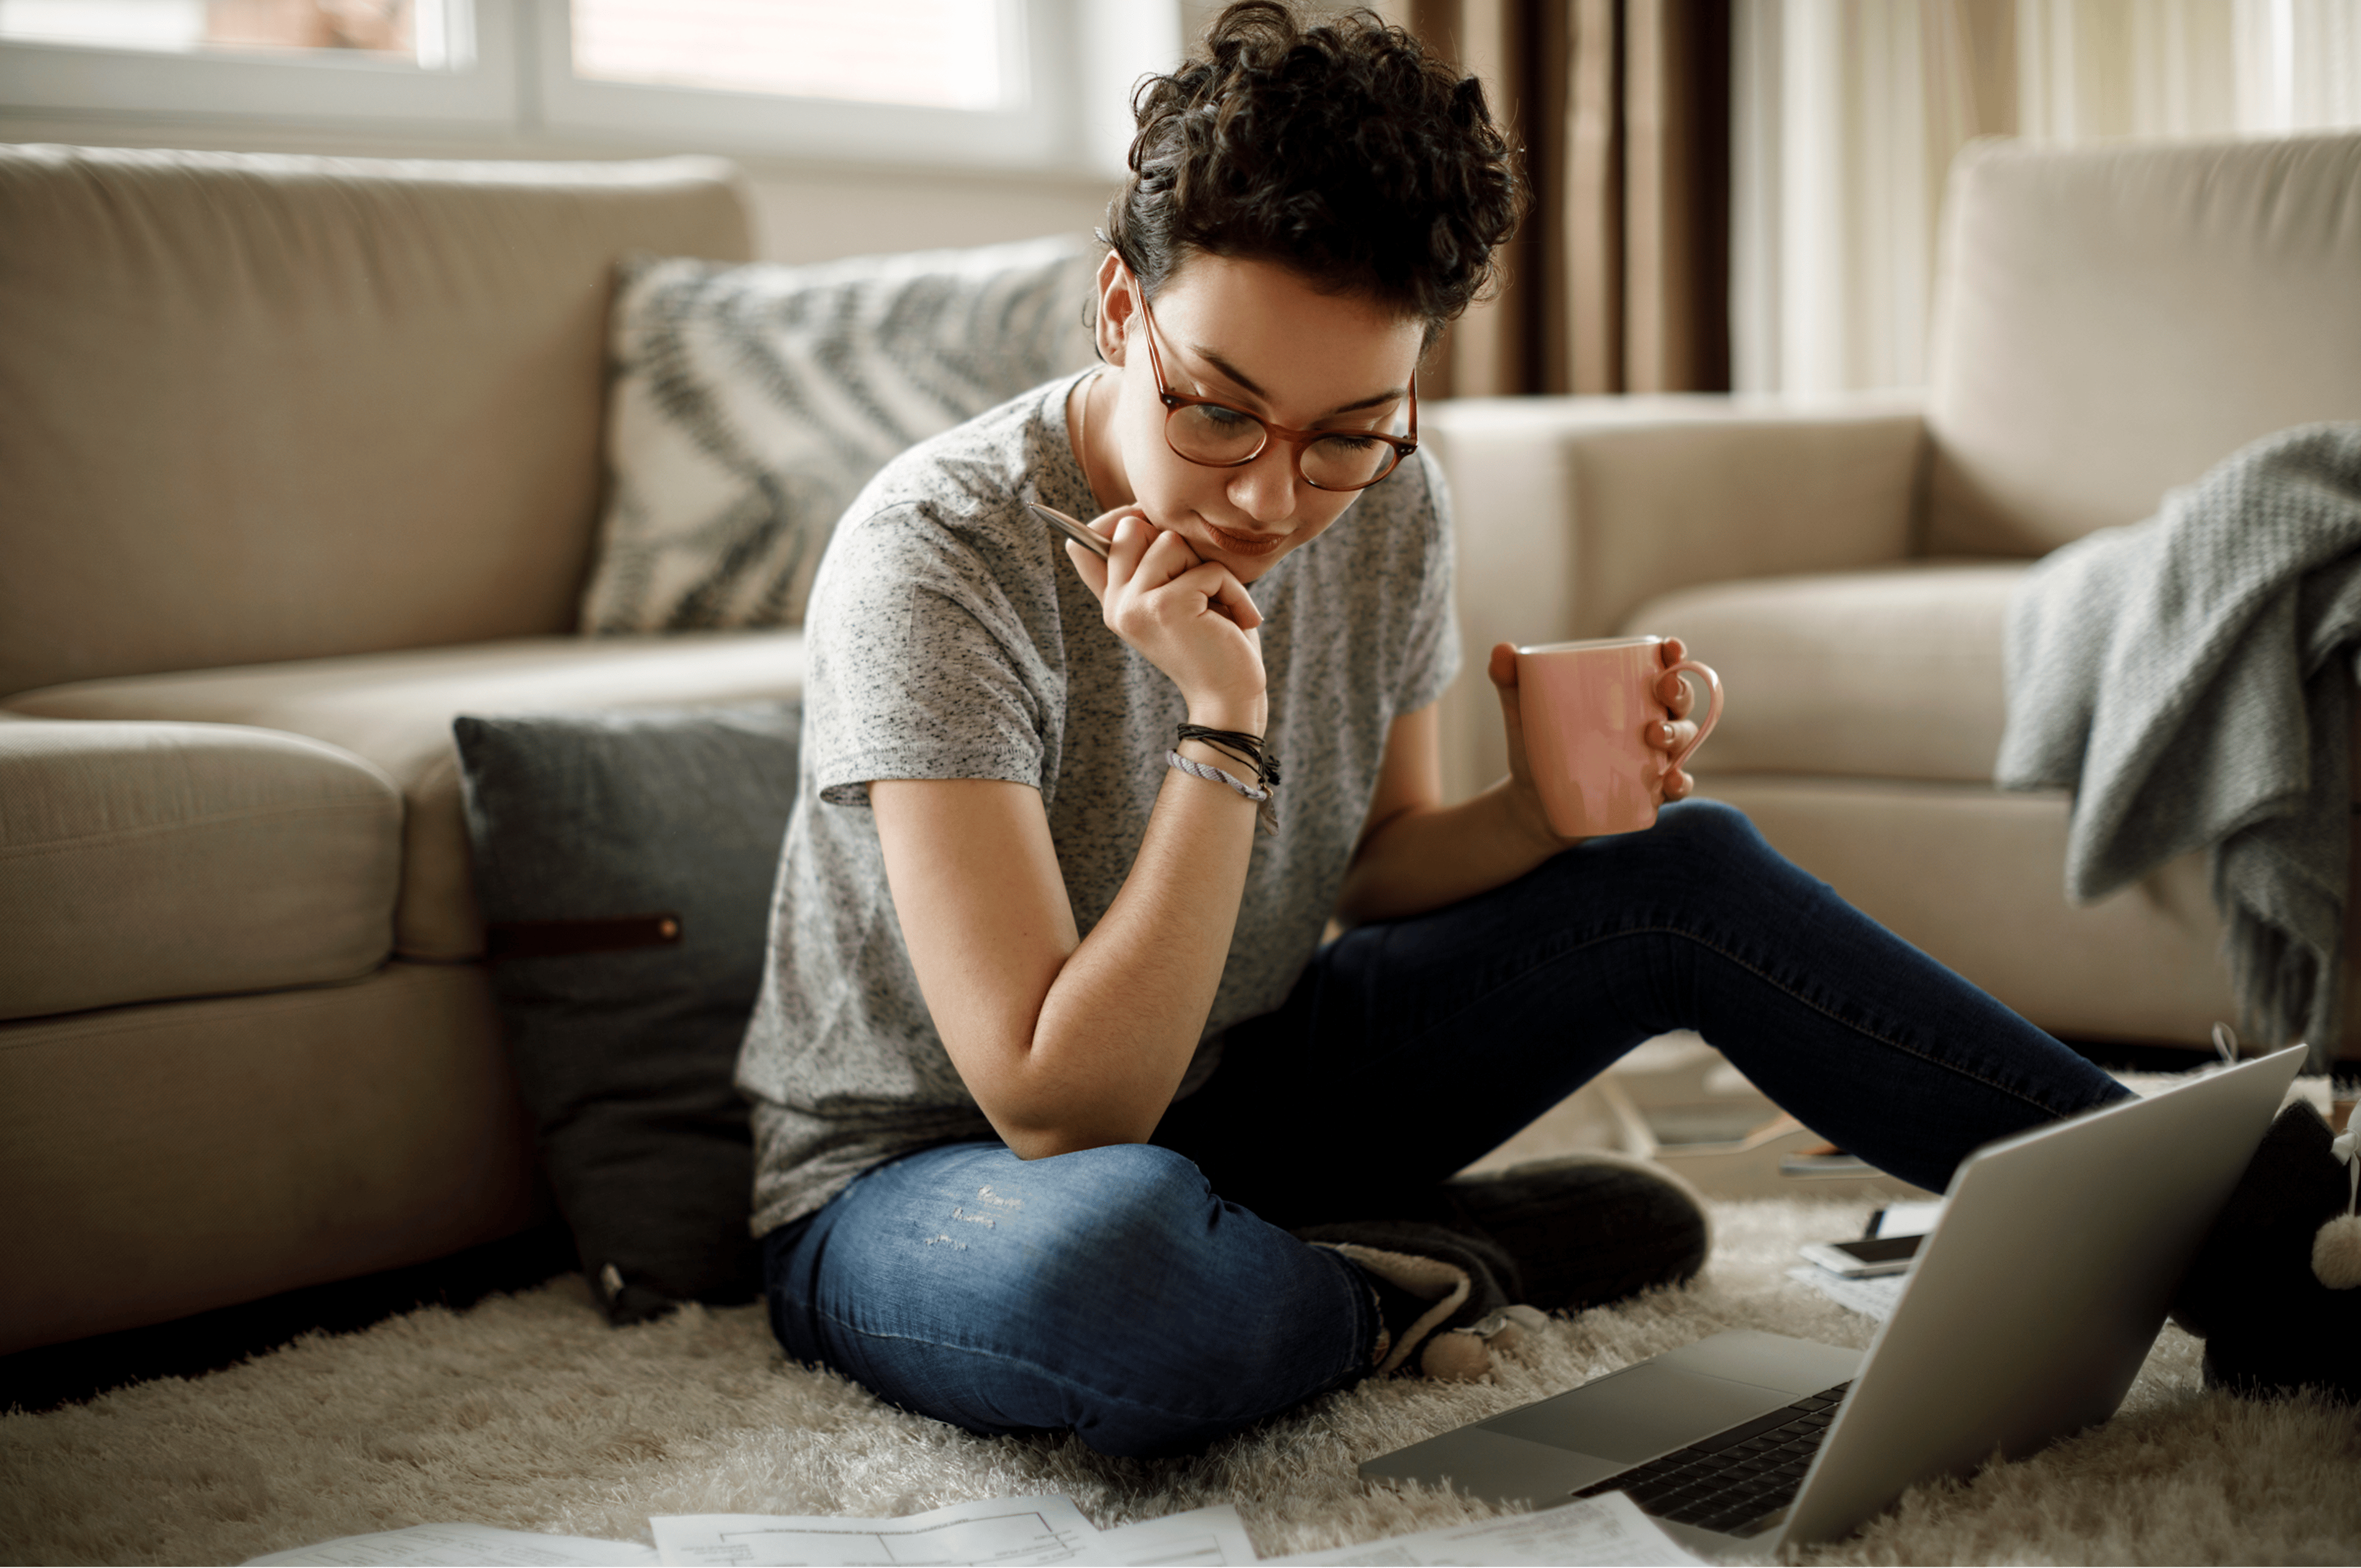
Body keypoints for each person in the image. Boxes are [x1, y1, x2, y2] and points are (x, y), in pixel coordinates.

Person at [736, 1, 2142, 1459]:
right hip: (926, 1175)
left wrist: (1539, 814)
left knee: (1688, 870)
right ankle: (1424, 1270)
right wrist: (1223, 724)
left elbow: (1378, 864)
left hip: (1243, 1084)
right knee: (1118, 1281)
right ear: (1117, 312)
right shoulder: (938, 554)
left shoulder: (1396, 494)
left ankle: (2238, 1222)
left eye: (1349, 430)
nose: (1275, 500)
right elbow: (1057, 1105)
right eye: (1219, 411)